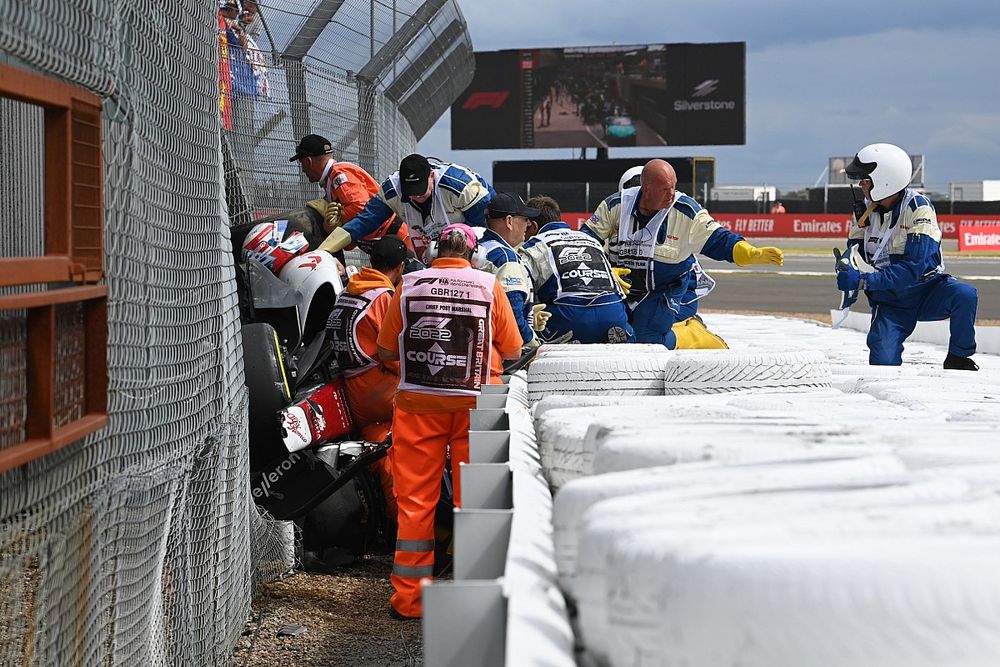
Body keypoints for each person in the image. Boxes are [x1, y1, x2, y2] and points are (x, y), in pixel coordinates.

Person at [376, 223, 522, 619]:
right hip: (477, 408)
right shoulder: (488, 284)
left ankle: (409, 601)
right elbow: (512, 347)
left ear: (434, 251)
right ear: (471, 256)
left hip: (418, 406)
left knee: (415, 503)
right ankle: (474, 603)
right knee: (474, 502)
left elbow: (385, 348)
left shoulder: (409, 284)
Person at [583, 159, 785, 347]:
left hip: (665, 288)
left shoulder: (686, 211)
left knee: (646, 339)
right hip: (625, 289)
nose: (671, 193)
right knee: (602, 328)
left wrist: (750, 253)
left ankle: (696, 336)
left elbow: (719, 239)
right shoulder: (614, 206)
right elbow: (584, 243)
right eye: (664, 189)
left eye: (673, 186)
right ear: (644, 189)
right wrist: (605, 273)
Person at [839, 142, 978, 370]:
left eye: (865, 180)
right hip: (890, 300)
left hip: (927, 290)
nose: (861, 186)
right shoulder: (864, 212)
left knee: (964, 294)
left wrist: (863, 281)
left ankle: (959, 356)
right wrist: (845, 267)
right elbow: (854, 253)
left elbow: (914, 267)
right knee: (883, 361)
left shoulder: (918, 208)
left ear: (884, 180)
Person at [317, 153, 494, 261]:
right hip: (431, 244)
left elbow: (489, 228)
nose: (416, 196)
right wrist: (323, 250)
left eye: (420, 190)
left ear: (432, 176)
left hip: (476, 224)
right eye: (410, 191)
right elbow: (363, 222)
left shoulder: (459, 187)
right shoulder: (392, 190)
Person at [520, 195, 634, 343]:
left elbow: (520, 294)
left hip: (569, 318)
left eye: (525, 228)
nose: (523, 235)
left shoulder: (533, 247)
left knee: (526, 327)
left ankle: (567, 344)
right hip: (613, 314)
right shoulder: (592, 241)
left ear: (533, 226)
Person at [289, 134, 413, 255]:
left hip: (397, 241)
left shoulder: (339, 174)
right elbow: (350, 244)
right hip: (383, 244)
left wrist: (339, 220)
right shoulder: (332, 181)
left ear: (308, 161)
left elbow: (361, 209)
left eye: (301, 162)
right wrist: (333, 228)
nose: (303, 169)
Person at [480, 193, 539, 349]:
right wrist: (532, 342)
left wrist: (531, 315)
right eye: (525, 219)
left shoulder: (479, 247)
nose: (529, 224)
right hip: (500, 353)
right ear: (509, 221)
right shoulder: (507, 258)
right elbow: (512, 315)